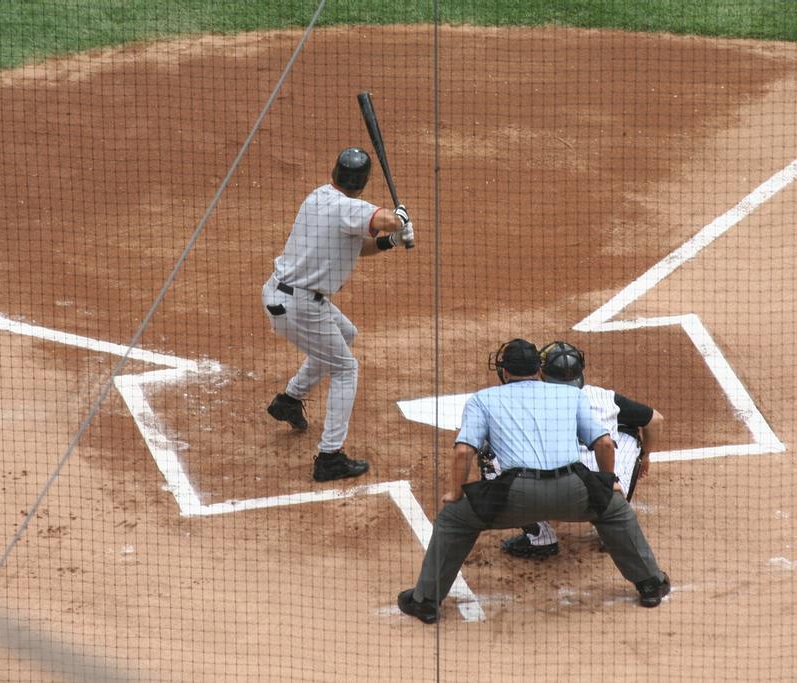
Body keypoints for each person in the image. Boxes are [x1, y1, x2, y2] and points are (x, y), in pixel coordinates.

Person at [397, 339, 670, 624]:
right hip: (574, 490)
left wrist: (455, 493)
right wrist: (607, 482)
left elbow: (464, 452)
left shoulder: (482, 399)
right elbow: (604, 443)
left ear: (504, 371)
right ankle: (651, 584)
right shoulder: (571, 395)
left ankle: (425, 602)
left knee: (453, 520)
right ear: (539, 369)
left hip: (514, 496)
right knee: (614, 512)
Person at [262, 147, 414, 482]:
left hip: (283, 295)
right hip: (301, 306)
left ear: (335, 173)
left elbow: (354, 246)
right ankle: (330, 457)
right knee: (346, 368)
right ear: (363, 182)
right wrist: (400, 219)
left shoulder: (318, 197)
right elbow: (385, 219)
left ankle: (290, 399)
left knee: (346, 335)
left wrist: (391, 242)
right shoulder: (350, 208)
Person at [495, 340, 665, 559]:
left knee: (493, 455)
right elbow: (655, 420)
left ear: (541, 372)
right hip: (599, 497)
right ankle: (612, 525)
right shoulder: (605, 398)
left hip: (545, 496)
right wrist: (646, 456)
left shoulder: (526, 402)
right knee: (628, 431)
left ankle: (540, 537)